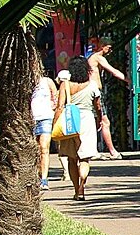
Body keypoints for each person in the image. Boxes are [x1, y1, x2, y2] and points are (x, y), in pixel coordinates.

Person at [56, 57, 103, 201]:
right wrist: (100, 119)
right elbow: (98, 106)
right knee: (84, 159)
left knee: (71, 158)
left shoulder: (66, 85)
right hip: (87, 120)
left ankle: (76, 189)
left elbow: (59, 107)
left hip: (70, 121)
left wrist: (56, 125)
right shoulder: (92, 85)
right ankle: (82, 187)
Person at [87, 38, 127, 159]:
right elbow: (113, 71)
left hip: (93, 91)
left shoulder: (92, 58)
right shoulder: (98, 57)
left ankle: (92, 150)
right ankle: (112, 152)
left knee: (96, 122)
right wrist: (127, 80)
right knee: (105, 122)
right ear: (102, 46)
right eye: (108, 47)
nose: (110, 50)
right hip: (95, 92)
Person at [31, 72, 58, 191]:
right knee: (34, 149)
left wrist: (54, 107)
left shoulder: (47, 81)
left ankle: (44, 179)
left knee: (44, 148)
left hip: (46, 118)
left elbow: (56, 97)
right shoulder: (27, 82)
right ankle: (36, 175)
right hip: (31, 119)